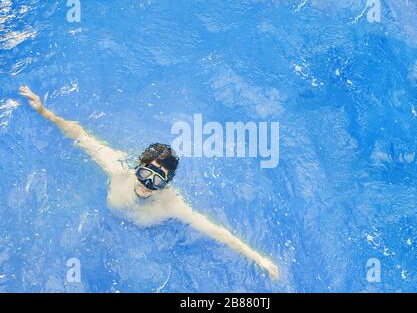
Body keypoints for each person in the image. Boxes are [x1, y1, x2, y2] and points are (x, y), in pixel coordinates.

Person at [19, 85, 279, 279]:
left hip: (148, 239)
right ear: (138, 167)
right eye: (146, 174)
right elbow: (80, 135)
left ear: (166, 185)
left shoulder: (172, 205)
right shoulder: (118, 169)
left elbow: (215, 231)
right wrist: (44, 111)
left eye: (156, 181)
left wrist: (258, 258)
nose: (147, 184)